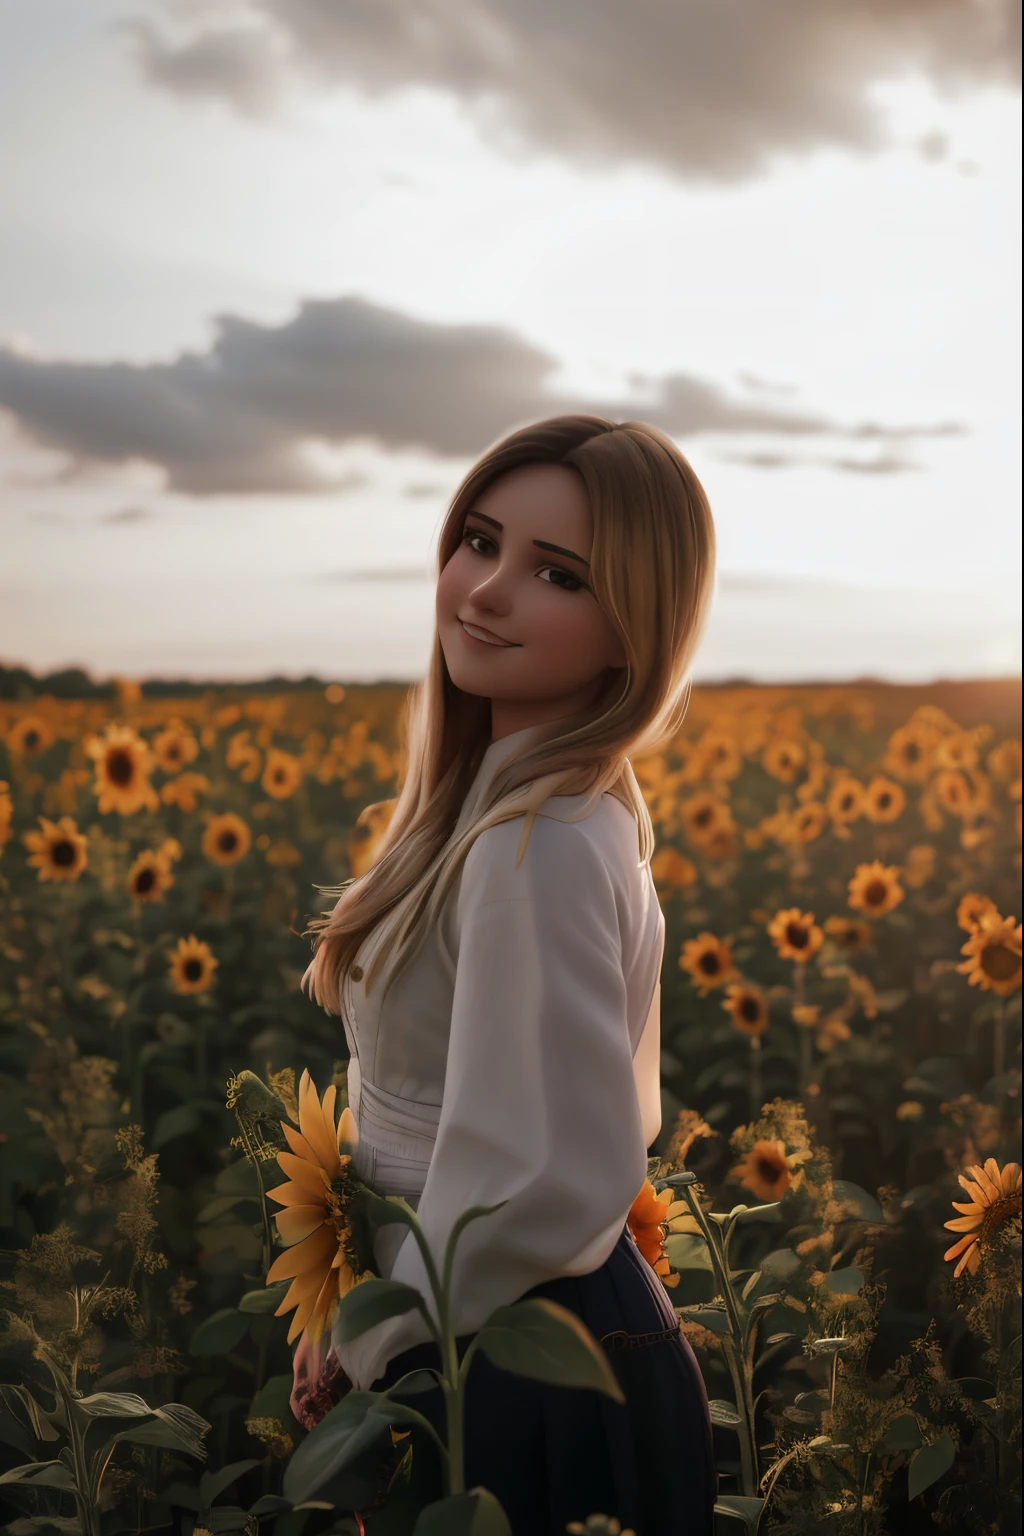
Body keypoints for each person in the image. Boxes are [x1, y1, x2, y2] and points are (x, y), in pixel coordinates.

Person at [298, 414, 718, 1534]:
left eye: (555, 574)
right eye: (478, 542)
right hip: (489, 1320)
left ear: (634, 625)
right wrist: (346, 1293)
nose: (484, 591)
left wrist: (370, 1336)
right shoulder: (506, 813)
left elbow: (525, 1178)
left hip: (522, 1357)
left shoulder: (535, 844)